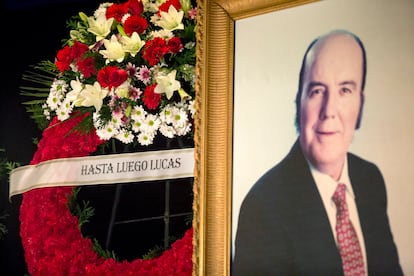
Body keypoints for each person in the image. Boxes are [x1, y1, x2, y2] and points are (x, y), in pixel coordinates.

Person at [232, 30, 403, 275]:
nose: (329, 110)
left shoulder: (370, 179)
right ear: (298, 102)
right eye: (317, 91)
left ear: (360, 105)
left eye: (345, 90)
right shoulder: (262, 208)